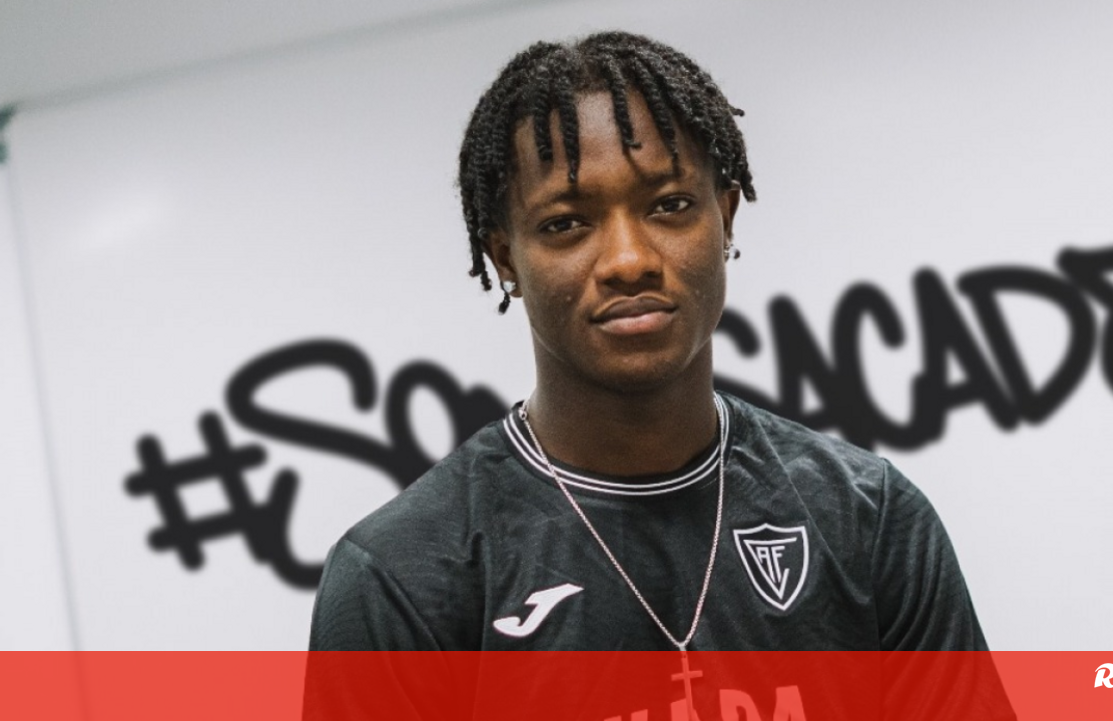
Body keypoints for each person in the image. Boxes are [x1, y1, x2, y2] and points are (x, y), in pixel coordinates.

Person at [306, 31, 1013, 720]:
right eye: (566, 223)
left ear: (724, 219)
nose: (628, 260)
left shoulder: (867, 516)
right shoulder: (400, 573)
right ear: (506, 259)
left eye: (669, 206)